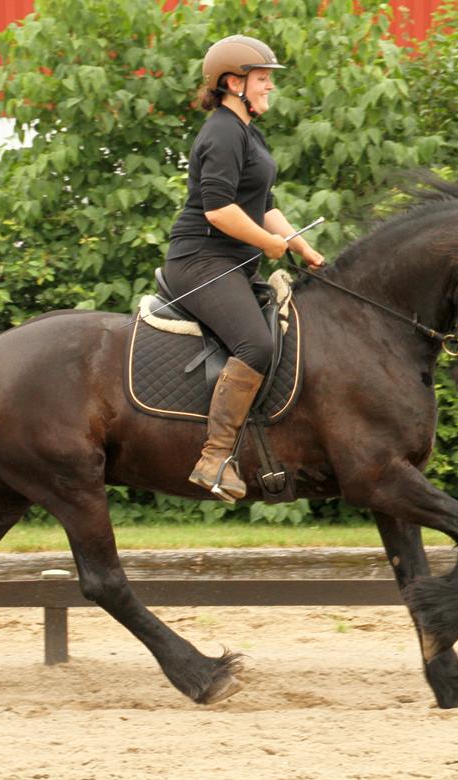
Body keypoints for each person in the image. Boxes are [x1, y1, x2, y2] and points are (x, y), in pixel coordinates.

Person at [163, 34, 325, 503]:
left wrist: (303, 249)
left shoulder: (249, 132)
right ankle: (214, 458)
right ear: (233, 83)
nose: (269, 87)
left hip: (233, 263)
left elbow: (263, 204)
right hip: (200, 262)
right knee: (254, 344)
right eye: (262, 78)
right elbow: (219, 211)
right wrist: (269, 244)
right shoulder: (221, 131)